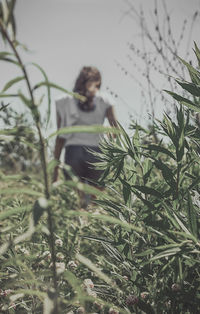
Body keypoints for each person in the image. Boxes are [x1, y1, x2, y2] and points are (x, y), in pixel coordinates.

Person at [53, 66, 118, 206]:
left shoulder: (65, 100)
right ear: (98, 81)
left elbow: (60, 136)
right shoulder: (105, 99)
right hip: (98, 152)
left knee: (77, 203)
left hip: (73, 153)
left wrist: (55, 168)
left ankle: (80, 223)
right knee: (97, 202)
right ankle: (94, 222)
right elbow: (116, 131)